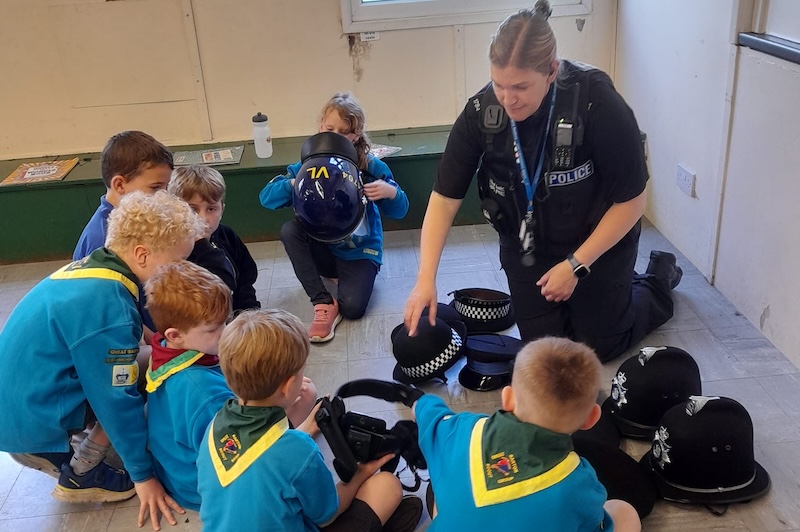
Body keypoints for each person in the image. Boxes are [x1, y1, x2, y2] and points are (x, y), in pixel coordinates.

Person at [403, 1, 681, 362]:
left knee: (599, 347)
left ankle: (657, 277)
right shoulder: (481, 112)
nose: (507, 99)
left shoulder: (597, 104)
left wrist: (576, 265)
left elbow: (632, 201)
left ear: (551, 71)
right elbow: (444, 198)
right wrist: (426, 278)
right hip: (527, 247)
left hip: (598, 244)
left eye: (520, 86)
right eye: (499, 84)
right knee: (544, 354)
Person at [0, 191, 205, 530]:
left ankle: (85, 441)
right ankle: (84, 471)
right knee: (128, 388)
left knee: (147, 360)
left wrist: (163, 343)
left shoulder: (97, 269)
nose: (181, 273)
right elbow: (116, 400)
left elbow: (127, 336)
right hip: (31, 431)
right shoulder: (107, 304)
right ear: (142, 255)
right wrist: (143, 477)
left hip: (20, 409)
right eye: (177, 263)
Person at [196, 309, 422, 531]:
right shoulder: (299, 452)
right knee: (388, 486)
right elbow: (327, 515)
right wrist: (361, 473)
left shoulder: (215, 426)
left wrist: (308, 428)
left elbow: (259, 455)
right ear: (287, 386)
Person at [411, 336, 641, 531]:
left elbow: (425, 409)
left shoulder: (463, 429)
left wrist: (418, 403)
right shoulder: (578, 481)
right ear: (591, 418)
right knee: (624, 512)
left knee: (447, 490)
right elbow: (593, 522)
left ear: (508, 397)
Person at [144, 260, 316, 511]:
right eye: (214, 328)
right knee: (306, 396)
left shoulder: (165, 349)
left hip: (178, 469)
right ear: (175, 335)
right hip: (206, 489)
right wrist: (303, 423)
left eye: (225, 321)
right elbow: (233, 457)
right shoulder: (204, 393)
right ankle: (304, 433)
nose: (225, 333)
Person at [260, 92, 409, 343]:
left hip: (360, 251)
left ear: (357, 134)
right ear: (320, 127)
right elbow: (266, 198)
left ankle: (344, 279)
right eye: (330, 128)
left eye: (345, 132)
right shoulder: (304, 166)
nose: (336, 136)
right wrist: (294, 183)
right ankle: (323, 301)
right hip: (321, 249)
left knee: (353, 309)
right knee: (289, 230)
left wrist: (389, 192)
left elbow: (401, 210)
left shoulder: (371, 167)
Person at [169, 164, 261, 312]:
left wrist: (249, 314)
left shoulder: (227, 235)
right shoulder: (174, 250)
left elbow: (245, 281)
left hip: (234, 320)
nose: (203, 218)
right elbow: (221, 285)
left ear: (222, 210)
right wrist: (201, 245)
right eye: (192, 209)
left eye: (211, 209)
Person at [73, 130, 173, 260]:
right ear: (119, 185)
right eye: (155, 188)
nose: (163, 196)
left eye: (167, 187)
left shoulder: (137, 219)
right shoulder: (102, 240)